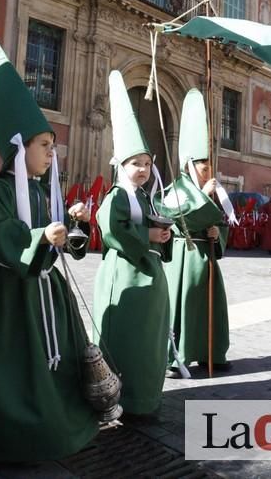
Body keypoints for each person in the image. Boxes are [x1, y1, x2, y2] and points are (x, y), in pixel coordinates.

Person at [0, 35, 98, 462]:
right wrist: (40, 237)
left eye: (51, 146)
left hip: (48, 292)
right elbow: (2, 239)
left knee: (56, 364)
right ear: (19, 147)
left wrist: (72, 224)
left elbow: (65, 247)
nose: (50, 153)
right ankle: (17, 436)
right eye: (44, 145)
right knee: (19, 367)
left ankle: (57, 425)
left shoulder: (43, 191)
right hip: (12, 298)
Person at [93, 70, 172, 416]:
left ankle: (146, 397)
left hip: (150, 275)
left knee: (149, 342)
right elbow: (110, 227)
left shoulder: (147, 196)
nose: (142, 169)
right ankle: (125, 401)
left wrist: (164, 235)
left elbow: (155, 226)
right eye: (135, 164)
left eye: (145, 163)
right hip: (125, 275)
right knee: (129, 341)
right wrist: (148, 237)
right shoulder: (117, 196)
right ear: (121, 166)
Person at [160, 89, 234, 373]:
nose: (208, 171)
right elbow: (178, 218)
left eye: (210, 166)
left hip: (208, 256)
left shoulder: (210, 190)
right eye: (204, 167)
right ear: (191, 165)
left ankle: (211, 351)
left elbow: (222, 222)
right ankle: (176, 355)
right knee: (184, 304)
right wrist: (203, 195)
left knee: (212, 306)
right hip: (184, 258)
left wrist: (218, 232)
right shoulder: (175, 190)